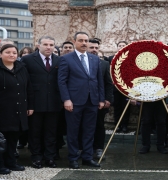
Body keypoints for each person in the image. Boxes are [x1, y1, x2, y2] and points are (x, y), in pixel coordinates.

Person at [0, 44, 34, 174]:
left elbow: (28, 88)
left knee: (13, 138)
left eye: (14, 53)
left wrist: (30, 106)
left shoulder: (21, 68)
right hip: (0, 111)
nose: (11, 55)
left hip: (18, 110)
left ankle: (11, 162)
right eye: (8, 52)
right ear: (0, 54)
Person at [58, 32, 104, 169]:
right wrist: (66, 99)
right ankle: (73, 158)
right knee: (73, 131)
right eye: (81, 40)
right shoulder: (66, 59)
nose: (84, 43)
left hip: (92, 101)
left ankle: (87, 158)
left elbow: (99, 80)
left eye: (86, 40)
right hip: (74, 101)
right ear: (74, 41)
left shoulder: (94, 59)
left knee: (89, 130)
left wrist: (101, 99)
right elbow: (62, 81)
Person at [21, 36, 62, 169]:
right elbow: (24, 82)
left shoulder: (59, 60)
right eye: (45, 44)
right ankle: (36, 158)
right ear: (38, 45)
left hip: (54, 103)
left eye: (51, 44)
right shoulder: (27, 59)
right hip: (35, 103)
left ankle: (49, 157)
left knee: (51, 132)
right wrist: (28, 104)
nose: (49, 47)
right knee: (35, 132)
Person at [87, 38, 113, 160]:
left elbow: (108, 83)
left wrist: (107, 99)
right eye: (91, 47)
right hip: (83, 100)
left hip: (99, 102)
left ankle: (98, 148)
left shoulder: (104, 64)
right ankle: (85, 149)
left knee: (99, 125)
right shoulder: (80, 62)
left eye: (96, 48)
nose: (94, 50)